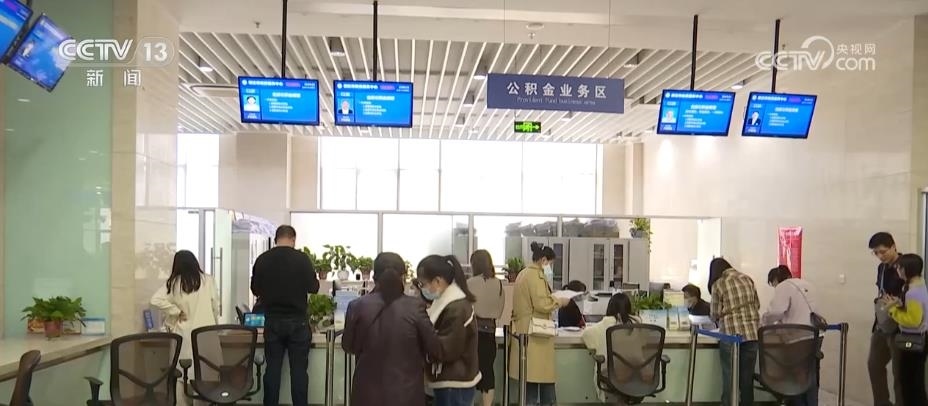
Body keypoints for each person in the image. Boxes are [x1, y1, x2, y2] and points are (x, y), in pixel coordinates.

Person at [342, 252, 441, 406]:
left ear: (374, 276)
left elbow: (348, 346)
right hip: (406, 394)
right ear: (403, 277)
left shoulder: (357, 306)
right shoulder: (415, 307)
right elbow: (434, 348)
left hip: (366, 394)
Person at [250, 225, 319, 406]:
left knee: (272, 371)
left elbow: (255, 289)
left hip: (272, 321)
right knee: (299, 373)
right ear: (293, 239)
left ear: (275, 239)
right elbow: (314, 288)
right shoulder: (302, 259)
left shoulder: (263, 259)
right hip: (298, 323)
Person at [508, 242, 571, 406]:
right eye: (550, 264)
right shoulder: (535, 276)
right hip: (535, 337)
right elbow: (542, 304)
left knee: (530, 381)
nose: (550, 268)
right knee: (540, 380)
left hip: (525, 332)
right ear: (543, 260)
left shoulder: (523, 273)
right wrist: (560, 301)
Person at [417, 255, 481, 406]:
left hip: (454, 383)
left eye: (422, 284)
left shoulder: (456, 308)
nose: (422, 288)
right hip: (452, 381)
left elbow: (446, 349)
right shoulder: (447, 302)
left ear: (437, 281)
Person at [763, 265, 820, 406]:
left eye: (772, 283)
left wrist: (764, 322)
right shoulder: (807, 284)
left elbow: (776, 312)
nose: (774, 287)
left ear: (775, 279)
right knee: (810, 374)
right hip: (816, 335)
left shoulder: (783, 286)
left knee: (796, 376)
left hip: (798, 337)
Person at [708, 257, 760, 406]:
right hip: (751, 335)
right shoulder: (748, 279)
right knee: (747, 378)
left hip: (730, 335)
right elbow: (757, 304)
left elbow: (714, 314)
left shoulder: (719, 284)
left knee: (729, 377)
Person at [150, 250, 219, 360]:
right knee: (208, 367)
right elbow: (215, 307)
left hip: (185, 334)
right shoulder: (208, 280)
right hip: (207, 332)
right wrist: (216, 324)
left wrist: (176, 312)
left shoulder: (174, 283)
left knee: (185, 367)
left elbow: (155, 300)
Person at [883, 254, 928, 406]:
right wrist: (898, 303)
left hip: (914, 340)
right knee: (915, 381)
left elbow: (913, 321)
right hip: (920, 338)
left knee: (909, 383)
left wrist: (893, 310)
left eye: (899, 267)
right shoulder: (919, 285)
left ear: (907, 269)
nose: (897, 270)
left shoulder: (913, 293)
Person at [868, 232, 905, 406]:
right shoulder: (881, 268)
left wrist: (897, 301)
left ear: (893, 247)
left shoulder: (906, 265)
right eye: (876, 253)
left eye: (883, 251)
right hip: (882, 323)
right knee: (874, 365)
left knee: (900, 373)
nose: (880, 256)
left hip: (900, 327)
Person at [466, 250, 505, 406]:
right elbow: (500, 309)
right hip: (490, 332)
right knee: (487, 370)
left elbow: (463, 308)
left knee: (470, 371)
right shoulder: (498, 283)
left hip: (472, 332)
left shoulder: (470, 283)